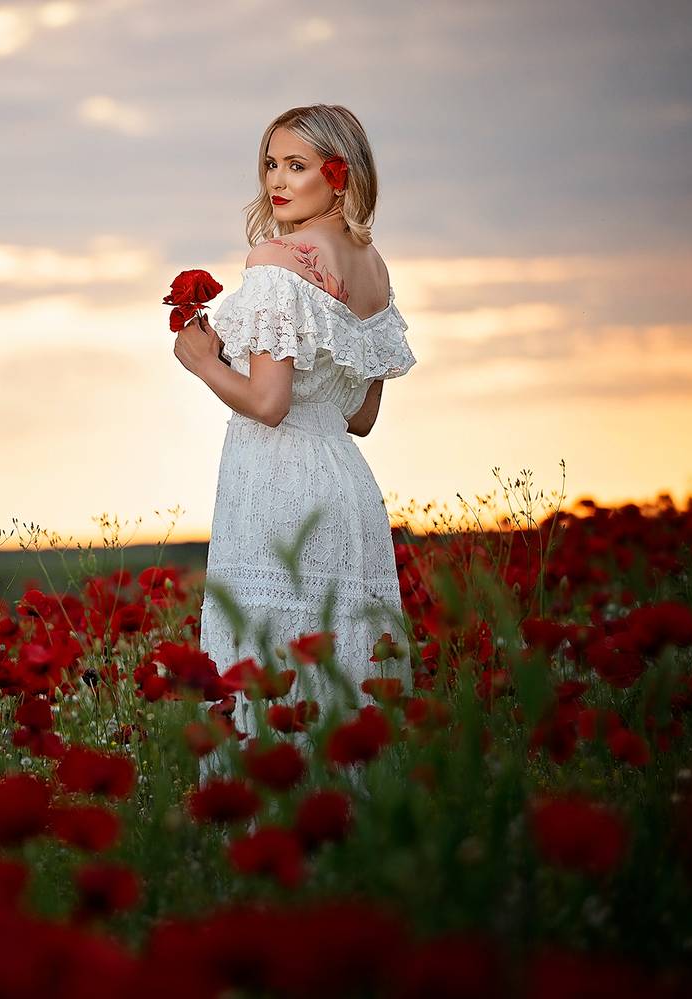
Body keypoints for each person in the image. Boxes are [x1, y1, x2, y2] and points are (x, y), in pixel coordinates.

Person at [172, 105, 419, 773]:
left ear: (339, 177)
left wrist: (203, 363)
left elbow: (268, 403)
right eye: (271, 164)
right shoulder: (374, 270)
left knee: (267, 663)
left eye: (297, 166)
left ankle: (268, 839)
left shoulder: (279, 260)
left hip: (276, 484)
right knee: (339, 666)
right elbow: (360, 418)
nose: (277, 181)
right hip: (345, 485)